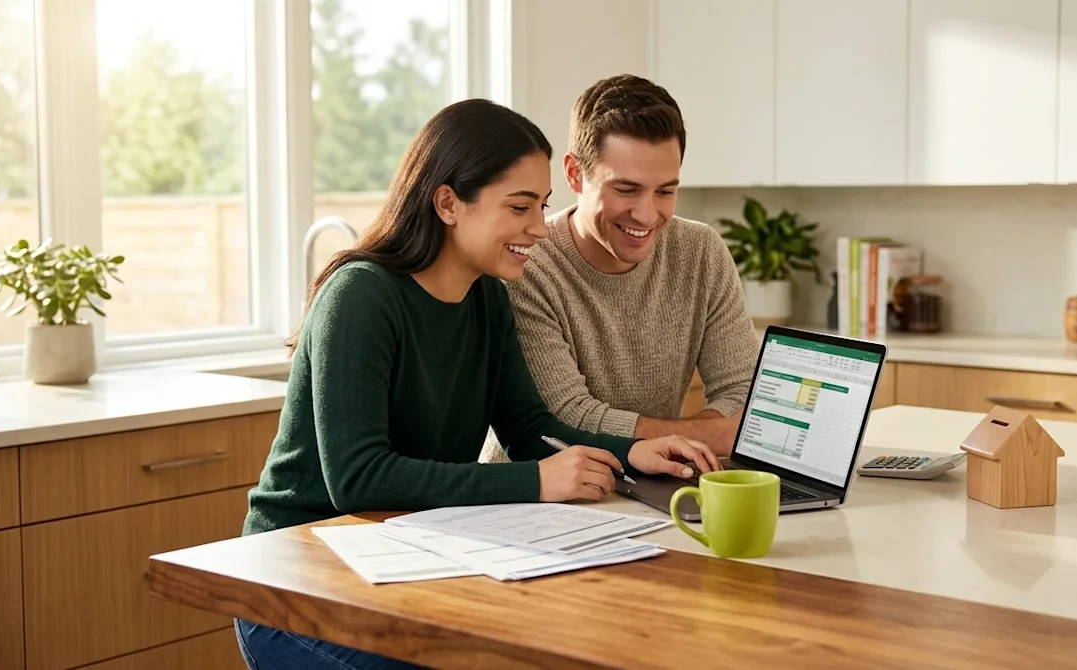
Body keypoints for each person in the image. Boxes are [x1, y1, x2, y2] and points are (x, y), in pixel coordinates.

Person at [233, 98, 719, 670]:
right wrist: (537, 481)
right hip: (294, 579)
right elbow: (358, 480)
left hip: (400, 558)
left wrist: (635, 452)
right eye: (519, 207)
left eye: (541, 205)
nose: (539, 228)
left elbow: (529, 428)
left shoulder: (487, 295)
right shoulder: (361, 296)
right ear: (448, 203)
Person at [498, 74, 761, 459]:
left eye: (665, 191)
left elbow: (743, 394)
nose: (646, 214)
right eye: (626, 189)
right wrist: (705, 438)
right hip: (533, 503)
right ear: (574, 174)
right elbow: (568, 420)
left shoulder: (701, 251)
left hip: (648, 485)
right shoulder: (528, 264)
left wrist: (677, 449)